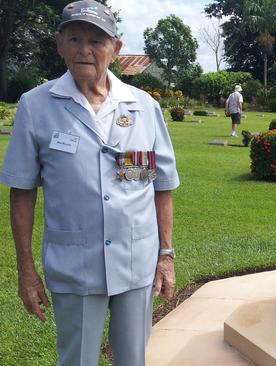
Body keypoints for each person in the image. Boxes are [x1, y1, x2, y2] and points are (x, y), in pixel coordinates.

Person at [0, 1, 180, 365]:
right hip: (74, 263)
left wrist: (165, 256)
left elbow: (160, 185)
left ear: (115, 49)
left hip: (136, 262)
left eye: (97, 40)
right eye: (75, 38)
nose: (85, 49)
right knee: (77, 360)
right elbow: (22, 192)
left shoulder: (144, 107)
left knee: (133, 359)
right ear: (59, 44)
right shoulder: (36, 105)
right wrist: (26, 270)